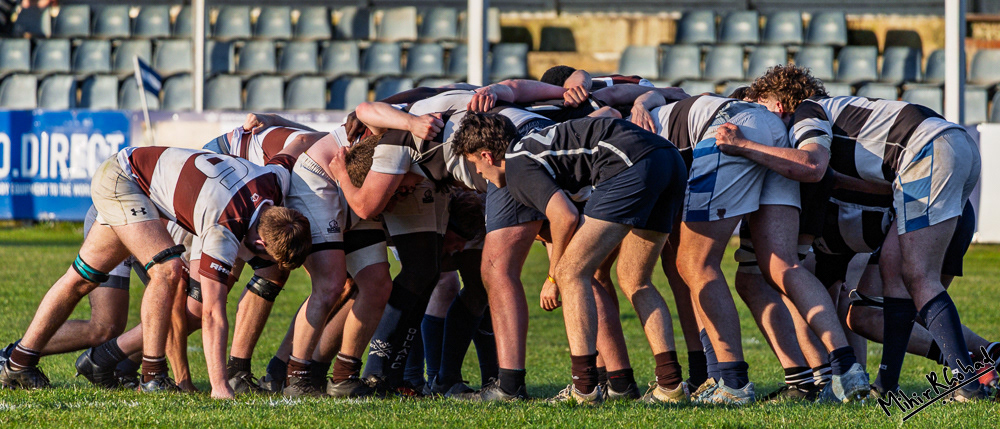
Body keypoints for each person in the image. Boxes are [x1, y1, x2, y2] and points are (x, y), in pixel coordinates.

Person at [729, 64, 986, 401]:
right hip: (945, 147)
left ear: (776, 105)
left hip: (927, 151)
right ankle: (887, 386)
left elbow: (812, 165)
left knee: (918, 277)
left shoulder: (809, 111)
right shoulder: (832, 113)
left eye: (757, 108)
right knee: (897, 279)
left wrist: (744, 145)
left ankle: (967, 384)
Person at [0, 137, 318, 398]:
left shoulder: (274, 181)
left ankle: (18, 362)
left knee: (80, 279)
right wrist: (220, 385)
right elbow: (212, 314)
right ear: (262, 244)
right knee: (168, 271)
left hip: (131, 176)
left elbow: (298, 142)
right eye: (267, 259)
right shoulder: (226, 226)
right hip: (125, 179)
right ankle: (153, 375)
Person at [453, 114, 688, 405]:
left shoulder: (516, 163)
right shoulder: (534, 149)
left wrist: (552, 277)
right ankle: (670, 386)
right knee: (634, 279)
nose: (479, 173)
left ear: (486, 155)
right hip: (668, 159)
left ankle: (585, 389)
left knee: (570, 274)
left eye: (475, 164)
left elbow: (564, 216)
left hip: (630, 163)